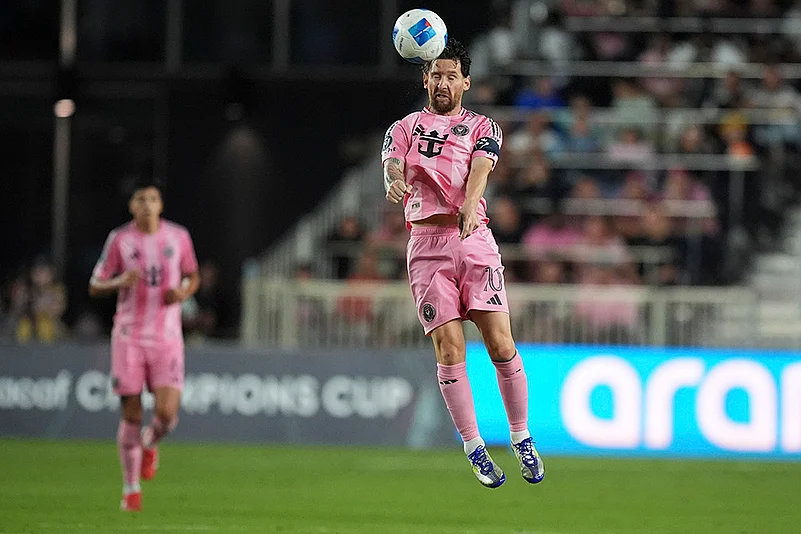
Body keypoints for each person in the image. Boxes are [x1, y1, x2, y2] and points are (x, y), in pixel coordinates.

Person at [381, 39, 544, 488]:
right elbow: (392, 164)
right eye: (436, 75)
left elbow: (481, 169)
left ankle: (521, 436)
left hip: (473, 240)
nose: (443, 83)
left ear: (465, 82)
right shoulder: (405, 127)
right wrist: (393, 180)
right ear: (425, 79)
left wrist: (471, 204)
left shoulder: (482, 125)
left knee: (500, 344)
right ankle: (474, 447)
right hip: (426, 246)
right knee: (450, 350)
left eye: (451, 76)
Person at [89, 180, 199, 512]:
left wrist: (183, 292)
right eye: (141, 199)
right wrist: (119, 281)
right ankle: (131, 489)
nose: (147, 204)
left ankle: (151, 442)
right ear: (132, 207)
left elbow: (192, 275)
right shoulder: (120, 240)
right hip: (129, 338)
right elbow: (95, 284)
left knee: (166, 413)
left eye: (153, 199)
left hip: (167, 338)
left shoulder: (178, 237)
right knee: (132, 414)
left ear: (160, 205)